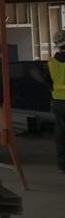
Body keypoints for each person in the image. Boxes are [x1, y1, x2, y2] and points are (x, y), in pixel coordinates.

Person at [51, 30, 65, 172]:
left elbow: (49, 81)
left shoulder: (53, 61)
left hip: (59, 102)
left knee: (60, 133)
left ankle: (62, 165)